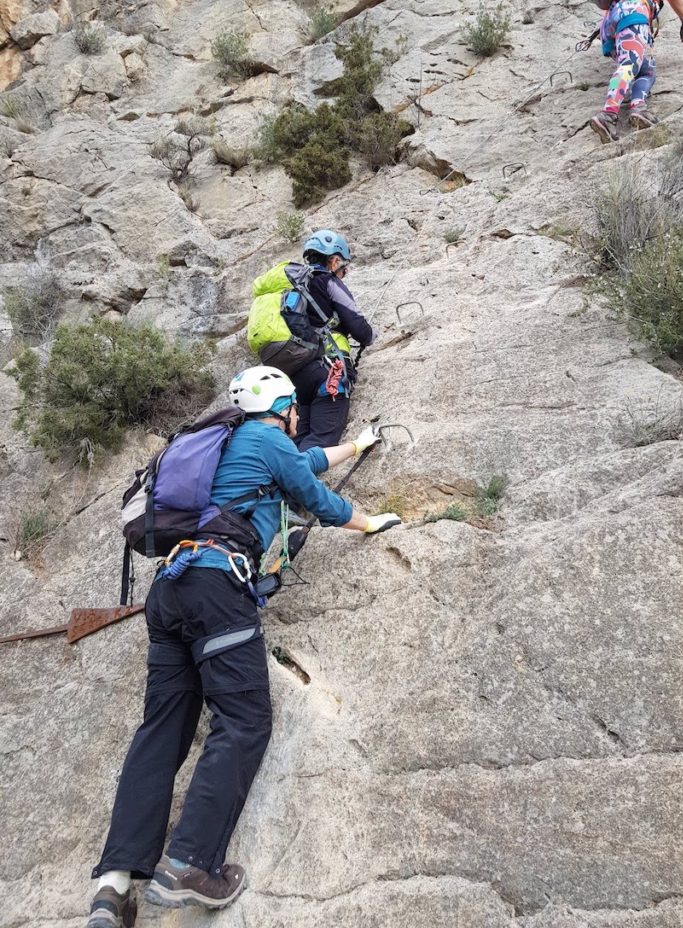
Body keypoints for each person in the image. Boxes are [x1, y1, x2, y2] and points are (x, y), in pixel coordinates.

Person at [87, 366, 401, 927]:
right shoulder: (267, 438)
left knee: (162, 729)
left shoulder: (224, 444)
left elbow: (303, 464)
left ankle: (113, 886)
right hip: (215, 586)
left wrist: (357, 444)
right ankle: (187, 865)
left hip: (169, 590)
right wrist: (370, 521)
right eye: (294, 408)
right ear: (283, 406)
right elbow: (315, 497)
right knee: (244, 718)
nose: (298, 417)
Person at [249, 230, 375, 452]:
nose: (343, 273)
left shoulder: (291, 288)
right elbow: (360, 329)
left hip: (294, 376)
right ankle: (298, 484)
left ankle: (280, 482)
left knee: (298, 440)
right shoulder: (327, 281)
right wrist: (371, 336)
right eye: (343, 268)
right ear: (334, 260)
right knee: (322, 440)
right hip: (327, 370)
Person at [590, 0, 683, 143]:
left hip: (611, 25)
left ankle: (638, 108)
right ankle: (608, 115)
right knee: (630, 64)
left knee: (646, 69)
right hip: (634, 13)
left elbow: (609, 16)